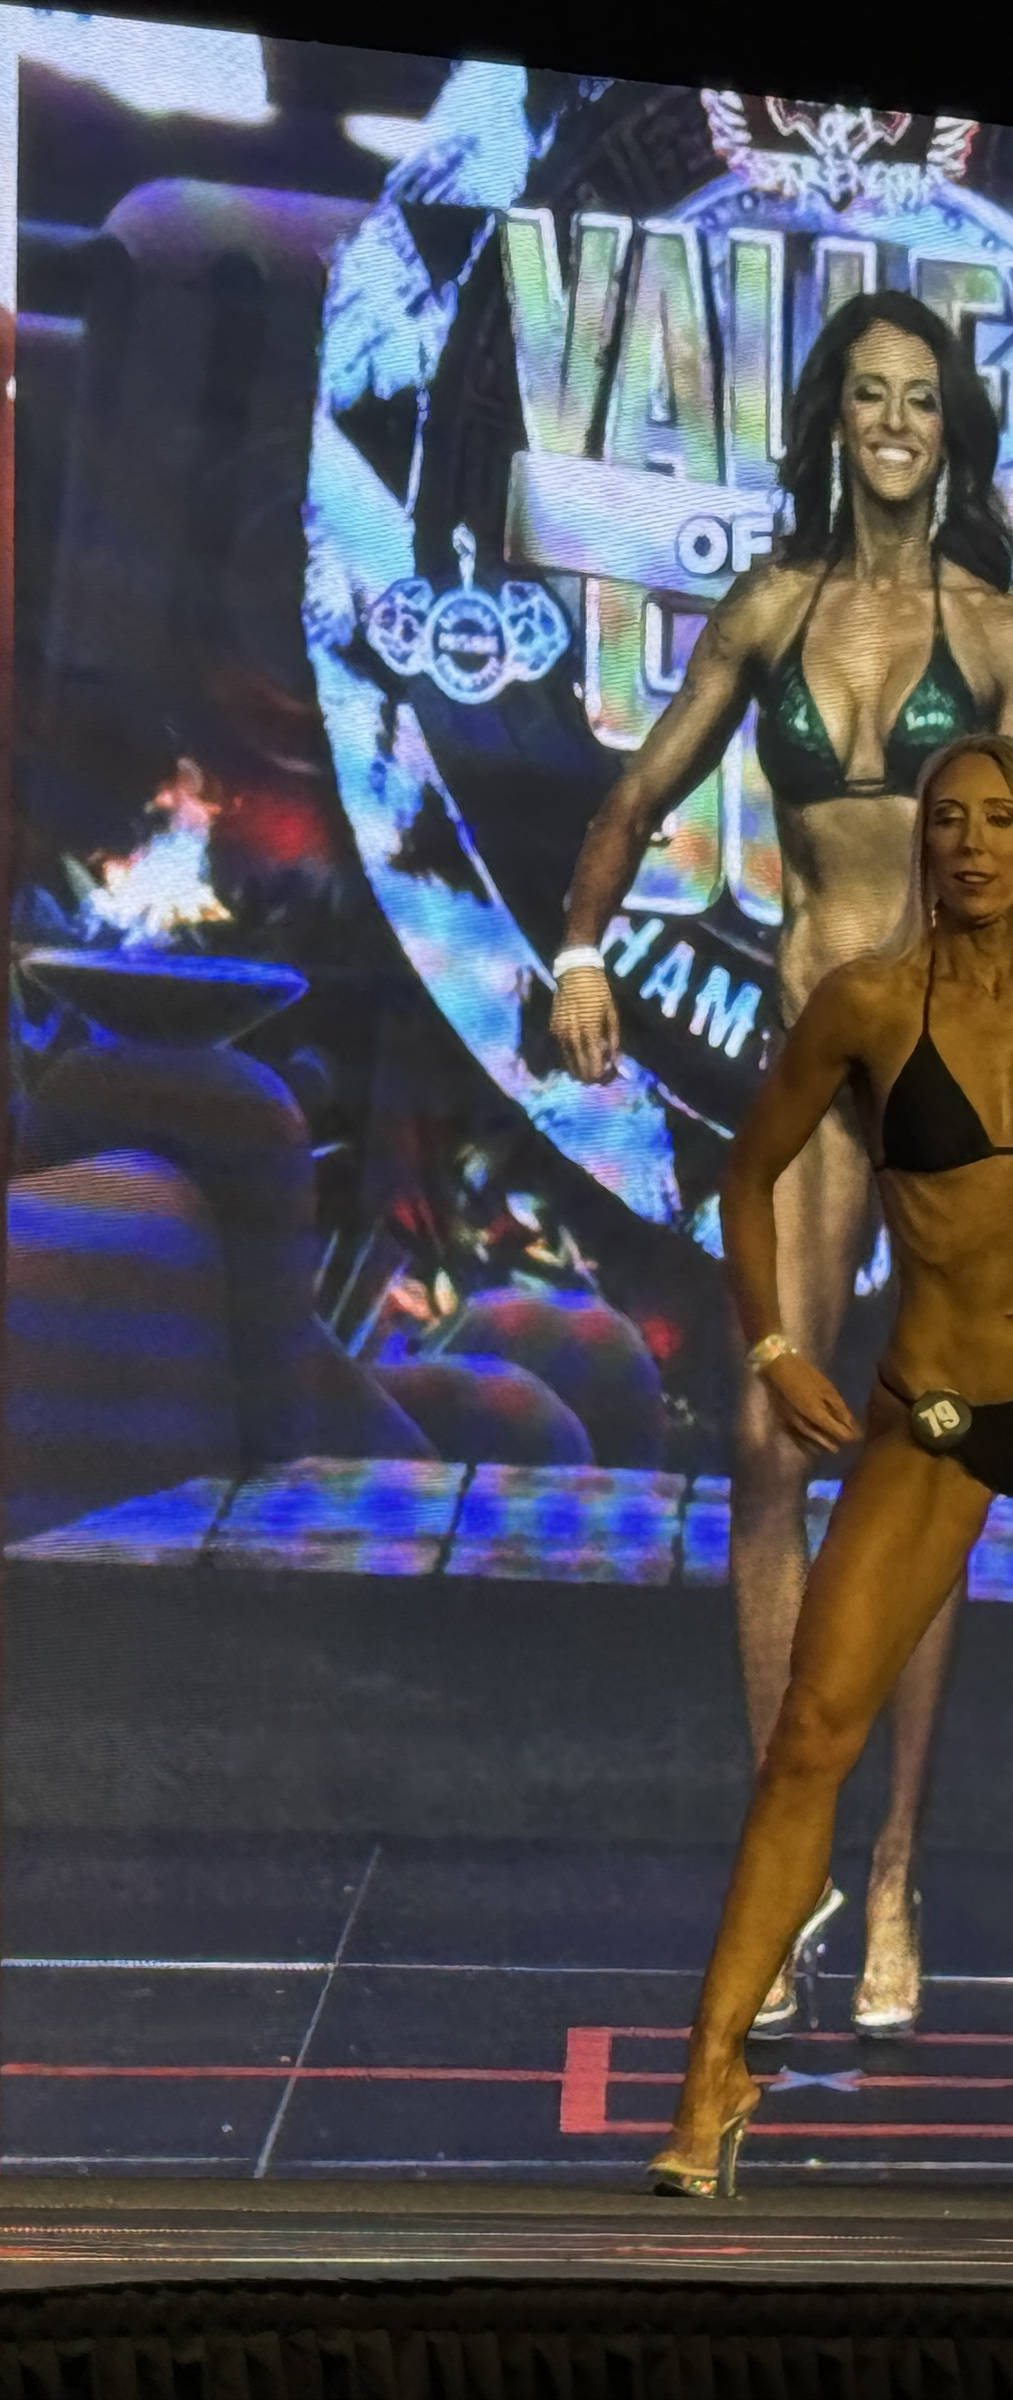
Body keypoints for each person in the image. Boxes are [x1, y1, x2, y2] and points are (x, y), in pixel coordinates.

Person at [555, 295, 1013, 2036]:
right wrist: (579, 951)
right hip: (821, 1054)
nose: (895, 424)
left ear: (952, 429)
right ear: (834, 420)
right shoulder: (771, 606)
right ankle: (793, 1848)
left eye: (922, 400)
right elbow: (636, 793)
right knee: (767, 1442)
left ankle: (893, 1871)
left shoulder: (996, 626)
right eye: (870, 397)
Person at [652, 731, 1013, 2195]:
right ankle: (711, 2080)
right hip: (939, 1410)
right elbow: (747, 1174)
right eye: (952, 821)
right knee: (810, 1734)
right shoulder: (869, 1004)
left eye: (1001, 820)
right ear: (922, 844)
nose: (974, 845)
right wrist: (770, 1348)